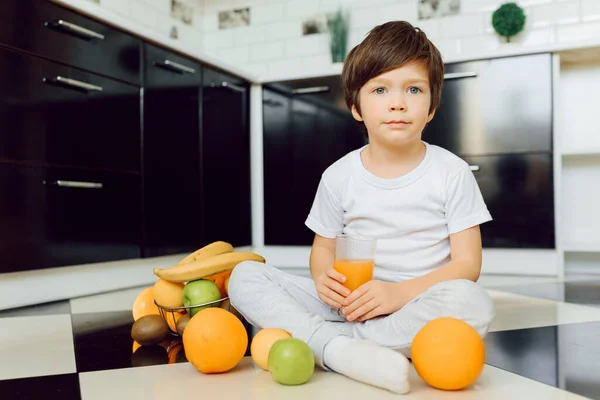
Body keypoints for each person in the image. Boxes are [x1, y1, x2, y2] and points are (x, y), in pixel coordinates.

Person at [228, 20, 495, 394]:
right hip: (347, 307)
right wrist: (324, 281)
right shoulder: (339, 176)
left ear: (432, 106)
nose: (398, 102)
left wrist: (398, 295)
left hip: (415, 304)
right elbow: (323, 248)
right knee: (244, 275)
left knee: (474, 304)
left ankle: (330, 344)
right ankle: (340, 346)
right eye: (381, 89)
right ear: (356, 106)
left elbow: (468, 265)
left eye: (414, 89)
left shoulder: (452, 172)